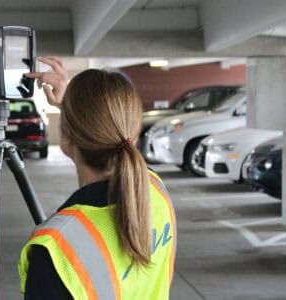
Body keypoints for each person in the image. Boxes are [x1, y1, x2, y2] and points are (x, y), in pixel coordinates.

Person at [18, 56, 176, 299]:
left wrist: (72, 108)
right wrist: (72, 109)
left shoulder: (57, 250)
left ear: (67, 136)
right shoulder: (155, 189)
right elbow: (106, 133)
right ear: (133, 132)